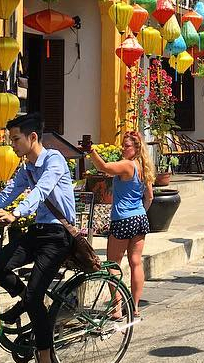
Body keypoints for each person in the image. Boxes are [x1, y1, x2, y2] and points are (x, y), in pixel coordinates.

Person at [0, 114, 76, 363]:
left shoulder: (54, 161)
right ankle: (28, 301)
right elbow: (7, 193)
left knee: (35, 298)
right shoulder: (26, 168)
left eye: (15, 139)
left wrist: (15, 214)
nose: (12, 145)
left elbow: (42, 190)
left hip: (58, 235)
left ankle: (44, 356)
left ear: (33, 137)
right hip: (38, 232)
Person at [89, 130, 153, 319]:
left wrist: (90, 150)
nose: (123, 149)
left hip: (122, 219)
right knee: (135, 262)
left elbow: (104, 167)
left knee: (113, 265)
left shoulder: (128, 165)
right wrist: (140, 211)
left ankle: (117, 308)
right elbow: (149, 197)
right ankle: (134, 307)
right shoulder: (144, 167)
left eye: (126, 146)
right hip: (140, 218)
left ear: (136, 148)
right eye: (123, 145)